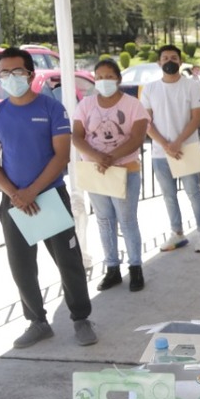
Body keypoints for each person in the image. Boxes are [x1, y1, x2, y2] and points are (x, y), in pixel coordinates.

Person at [0, 47, 97, 348]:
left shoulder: (51, 109)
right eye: (4, 73)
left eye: (16, 71)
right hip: (14, 201)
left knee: (68, 261)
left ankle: (81, 318)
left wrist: (31, 192)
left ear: (30, 74)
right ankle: (37, 322)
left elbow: (61, 156)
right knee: (21, 266)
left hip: (49, 196)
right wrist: (15, 194)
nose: (11, 77)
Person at [71, 58, 149, 292]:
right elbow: (76, 136)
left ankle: (135, 268)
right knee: (104, 220)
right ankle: (112, 268)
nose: (104, 81)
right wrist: (98, 157)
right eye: (99, 77)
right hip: (95, 171)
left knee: (127, 220)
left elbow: (137, 138)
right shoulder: (86, 104)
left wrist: (110, 157)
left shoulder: (133, 105)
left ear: (118, 79)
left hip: (125, 170)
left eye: (109, 77)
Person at [142, 44, 200, 253]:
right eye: (165, 58)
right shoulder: (150, 88)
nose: (169, 61)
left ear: (180, 62)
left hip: (187, 148)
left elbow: (196, 118)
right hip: (160, 153)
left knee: (194, 192)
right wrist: (166, 145)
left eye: (173, 58)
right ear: (159, 62)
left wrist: (178, 142)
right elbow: (146, 122)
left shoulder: (192, 85)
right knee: (169, 195)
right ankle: (177, 233)